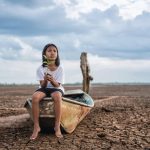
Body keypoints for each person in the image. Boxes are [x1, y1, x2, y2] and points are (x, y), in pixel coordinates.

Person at [30, 43, 64, 140]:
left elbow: (58, 85)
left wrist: (52, 80)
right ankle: (36, 126)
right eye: (49, 51)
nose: (52, 53)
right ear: (44, 54)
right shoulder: (40, 68)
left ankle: (57, 125)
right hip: (44, 87)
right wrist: (45, 80)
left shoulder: (60, 68)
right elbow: (42, 85)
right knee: (35, 97)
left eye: (54, 51)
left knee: (57, 96)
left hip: (56, 88)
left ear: (57, 54)